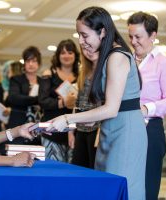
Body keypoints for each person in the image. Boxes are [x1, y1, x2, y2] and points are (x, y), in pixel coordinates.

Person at [47, 7, 147, 200]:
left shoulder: (117, 56)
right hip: (112, 127)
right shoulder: (108, 56)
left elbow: (110, 108)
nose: (81, 41)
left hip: (126, 130)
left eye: (85, 35)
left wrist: (68, 118)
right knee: (107, 187)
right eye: (79, 35)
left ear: (102, 32)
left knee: (122, 188)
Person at [127, 11, 166, 200]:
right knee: (125, 182)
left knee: (147, 187)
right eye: (130, 36)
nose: (133, 41)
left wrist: (146, 109)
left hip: (150, 130)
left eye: (138, 36)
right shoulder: (125, 61)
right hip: (124, 128)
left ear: (153, 35)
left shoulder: (164, 63)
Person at [39, 39, 79, 162]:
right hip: (52, 130)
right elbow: (42, 100)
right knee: (53, 170)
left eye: (70, 52)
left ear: (75, 55)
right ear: (58, 55)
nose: (66, 56)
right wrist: (63, 103)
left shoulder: (81, 75)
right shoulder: (49, 74)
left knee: (73, 171)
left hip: (75, 130)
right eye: (63, 53)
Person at [69, 48, 101, 169]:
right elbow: (77, 104)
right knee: (78, 169)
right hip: (80, 129)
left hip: (97, 129)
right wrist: (71, 131)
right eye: (86, 49)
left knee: (95, 169)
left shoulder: (105, 71)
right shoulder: (84, 72)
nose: (90, 52)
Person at [5, 46, 43, 146]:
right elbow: (14, 98)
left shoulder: (43, 81)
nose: (31, 64)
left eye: (34, 61)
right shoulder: (16, 79)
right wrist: (38, 100)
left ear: (38, 63)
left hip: (37, 124)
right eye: (28, 61)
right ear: (24, 63)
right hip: (18, 123)